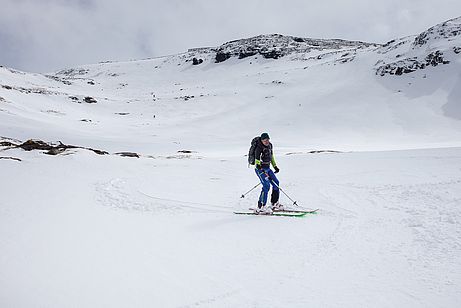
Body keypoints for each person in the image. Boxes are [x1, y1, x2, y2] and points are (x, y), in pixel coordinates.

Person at [254, 133, 283, 213]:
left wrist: (275, 166)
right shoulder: (259, 148)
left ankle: (274, 203)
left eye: (268, 139)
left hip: (268, 168)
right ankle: (261, 206)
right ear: (262, 140)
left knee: (276, 183)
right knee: (266, 185)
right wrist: (261, 168)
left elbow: (271, 157)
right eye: (265, 140)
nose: (266, 141)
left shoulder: (270, 145)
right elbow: (257, 160)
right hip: (260, 169)